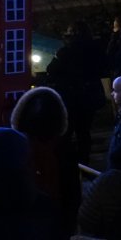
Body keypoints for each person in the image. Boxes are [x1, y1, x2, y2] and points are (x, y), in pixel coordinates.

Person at [10, 86, 83, 240]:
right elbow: (73, 193)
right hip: (57, 224)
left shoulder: (16, 149)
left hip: (24, 229)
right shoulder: (65, 149)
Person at [46, 21, 106, 165]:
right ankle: (84, 162)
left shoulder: (65, 51)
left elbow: (51, 70)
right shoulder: (95, 49)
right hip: (89, 95)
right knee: (84, 131)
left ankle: (67, 162)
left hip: (71, 96)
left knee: (67, 132)